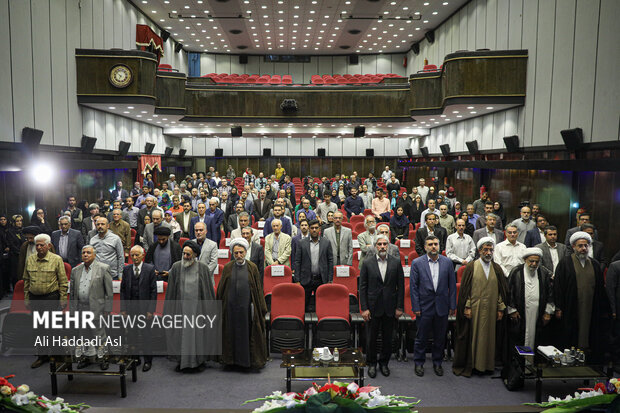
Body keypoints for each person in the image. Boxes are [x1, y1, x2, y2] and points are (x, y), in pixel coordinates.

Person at [453, 237, 508, 377]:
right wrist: (467, 307)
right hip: (475, 309)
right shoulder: (471, 266)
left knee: (489, 338)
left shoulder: (496, 268)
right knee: (474, 337)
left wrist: (500, 308)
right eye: (485, 250)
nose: (488, 253)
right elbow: (466, 290)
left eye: (491, 250)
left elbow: (502, 290)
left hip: (491, 310)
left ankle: (487, 366)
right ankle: (474, 365)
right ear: (480, 251)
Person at [553, 232, 610, 355]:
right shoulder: (565, 263)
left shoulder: (594, 263)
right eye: (580, 246)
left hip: (591, 306)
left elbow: (600, 288)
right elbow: (558, 287)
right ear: (574, 247)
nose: (583, 248)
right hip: (571, 306)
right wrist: (558, 307)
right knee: (571, 335)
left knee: (590, 332)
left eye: (586, 246)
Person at [164, 240, 216, 372]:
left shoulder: (203, 268)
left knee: (198, 336)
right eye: (184, 254)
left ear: (195, 255)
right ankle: (182, 361)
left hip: (197, 310)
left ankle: (198, 361)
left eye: (188, 254)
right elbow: (171, 290)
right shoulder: (176, 267)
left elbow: (208, 291)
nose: (185, 257)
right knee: (180, 335)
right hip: (180, 309)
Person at [217, 238, 268, 369]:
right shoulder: (228, 267)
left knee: (248, 333)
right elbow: (222, 288)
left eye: (241, 252)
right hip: (230, 308)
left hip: (247, 308)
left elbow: (258, 289)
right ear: (232, 254)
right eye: (236, 253)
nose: (238, 255)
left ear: (245, 252)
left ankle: (246, 361)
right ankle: (231, 361)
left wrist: (260, 307)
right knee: (230, 332)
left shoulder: (252, 267)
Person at [410, 235, 456, 377]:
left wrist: (452, 305)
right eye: (430, 244)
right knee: (421, 337)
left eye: (435, 244)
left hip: (442, 306)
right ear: (425, 247)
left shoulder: (448, 262)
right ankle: (419, 363)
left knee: (440, 337)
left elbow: (452, 286)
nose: (433, 247)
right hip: (424, 307)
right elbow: (414, 288)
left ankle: (437, 363)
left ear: (440, 246)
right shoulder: (417, 263)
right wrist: (416, 307)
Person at [360, 235, 404, 378]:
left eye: (385, 244)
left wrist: (399, 307)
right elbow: (363, 287)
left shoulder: (396, 262)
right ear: (375, 246)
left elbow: (401, 287)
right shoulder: (367, 263)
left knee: (388, 338)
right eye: (379, 244)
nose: (383, 246)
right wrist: (364, 308)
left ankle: (384, 363)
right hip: (372, 307)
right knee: (371, 338)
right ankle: (372, 364)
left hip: (390, 307)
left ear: (389, 246)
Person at [24, 234, 68, 368]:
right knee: (39, 329)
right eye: (37, 245)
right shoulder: (30, 259)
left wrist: (63, 298)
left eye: (41, 245)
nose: (38, 247)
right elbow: (26, 281)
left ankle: (58, 356)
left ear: (48, 246)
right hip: (34, 298)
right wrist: (26, 298)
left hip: (51, 297)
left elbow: (63, 281)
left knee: (53, 329)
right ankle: (42, 356)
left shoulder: (56, 259)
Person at [69, 245, 113, 370]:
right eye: (83, 253)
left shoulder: (103, 268)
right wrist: (72, 310)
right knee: (84, 334)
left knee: (99, 335)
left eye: (88, 252)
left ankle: (104, 358)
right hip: (81, 308)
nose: (86, 255)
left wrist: (107, 309)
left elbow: (109, 292)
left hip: (97, 308)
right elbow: (72, 293)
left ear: (94, 255)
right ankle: (87, 358)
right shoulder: (75, 270)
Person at [505, 248, 554, 352]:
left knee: (536, 339)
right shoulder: (516, 271)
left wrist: (548, 312)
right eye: (531, 261)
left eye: (537, 261)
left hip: (538, 313)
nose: (534, 264)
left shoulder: (544, 272)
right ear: (525, 260)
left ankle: (532, 365)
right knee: (520, 338)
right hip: (520, 313)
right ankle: (521, 366)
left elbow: (550, 294)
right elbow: (509, 292)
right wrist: (512, 310)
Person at [121, 245, 157, 372]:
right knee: (132, 335)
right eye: (132, 255)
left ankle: (148, 361)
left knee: (146, 335)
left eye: (137, 255)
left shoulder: (149, 269)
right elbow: (123, 290)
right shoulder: (126, 270)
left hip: (144, 309)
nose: (135, 258)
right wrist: (123, 309)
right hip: (131, 308)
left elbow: (153, 291)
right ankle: (135, 359)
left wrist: (150, 310)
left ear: (142, 255)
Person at [293, 220, 334, 310]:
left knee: (322, 307)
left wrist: (330, 279)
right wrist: (297, 280)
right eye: (312, 228)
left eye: (316, 228)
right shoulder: (301, 243)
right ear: (308, 229)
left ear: (320, 229)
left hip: (321, 279)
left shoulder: (326, 242)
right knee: (303, 307)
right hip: (306, 279)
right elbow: (297, 262)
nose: (314, 230)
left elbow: (330, 261)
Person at [606, 260, 620, 362]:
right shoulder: (615, 266)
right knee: (616, 337)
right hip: (618, 309)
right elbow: (610, 290)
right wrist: (613, 309)